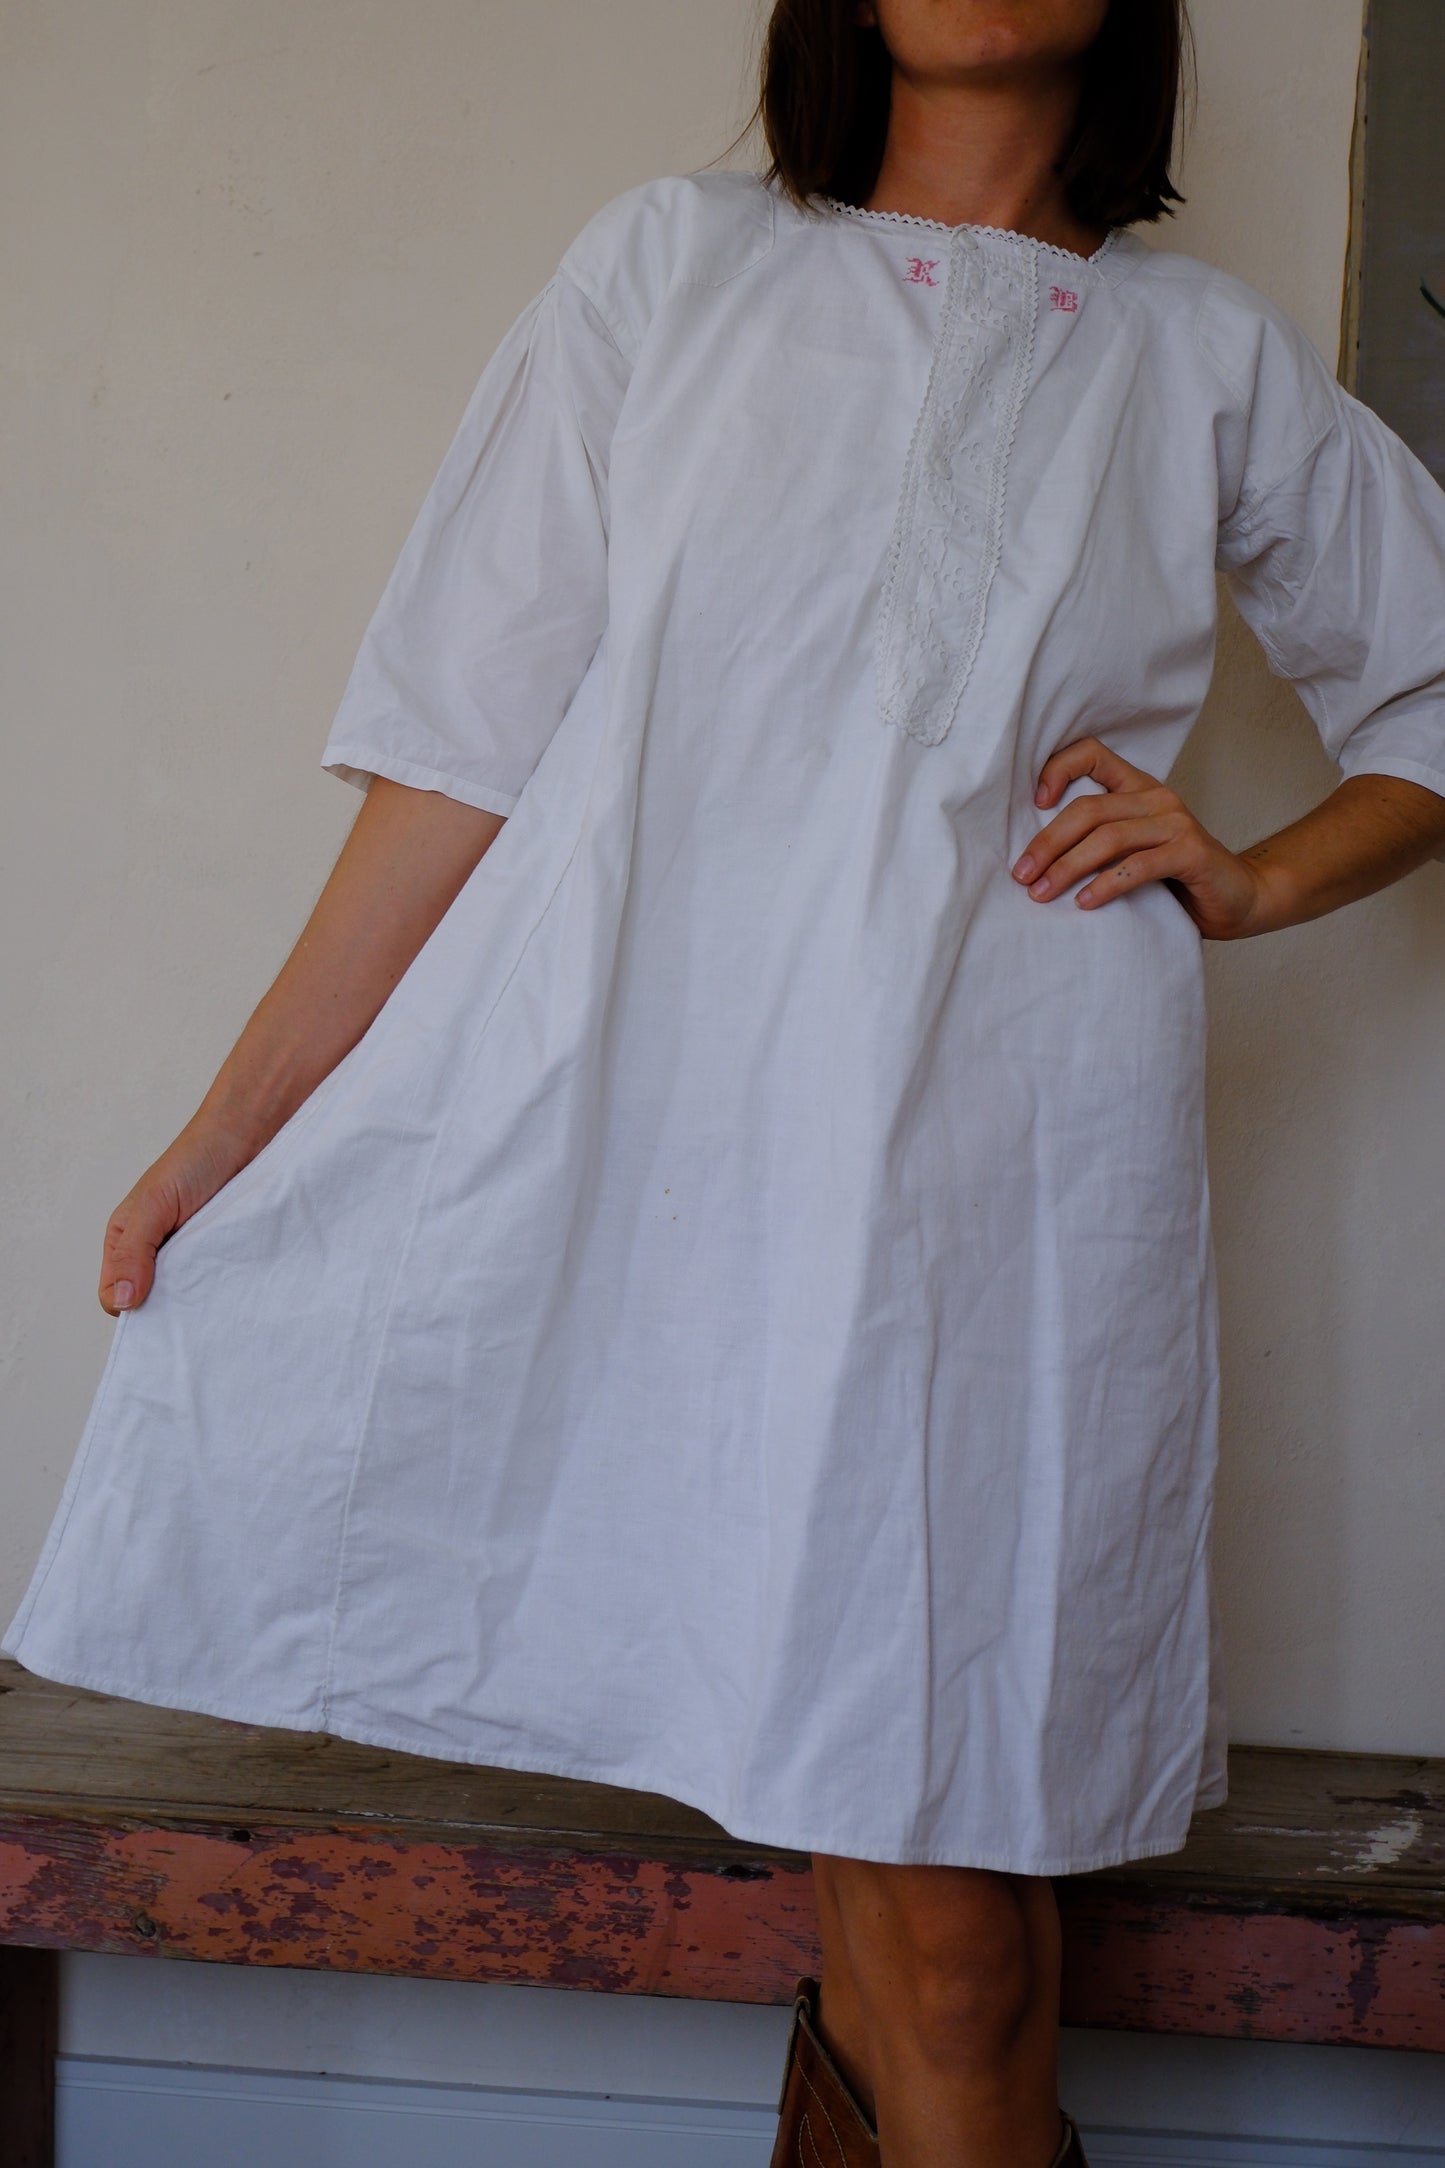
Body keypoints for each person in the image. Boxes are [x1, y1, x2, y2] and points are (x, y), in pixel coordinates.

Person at [8, 1, 1445, 2161]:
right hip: (671, 1179)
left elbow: (1431, 686)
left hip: (1006, 1195)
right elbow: (457, 751)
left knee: (951, 1935)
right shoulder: (670, 265)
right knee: (892, 1910)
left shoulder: (1204, 358)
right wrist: (232, 1134)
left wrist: (1250, 879)